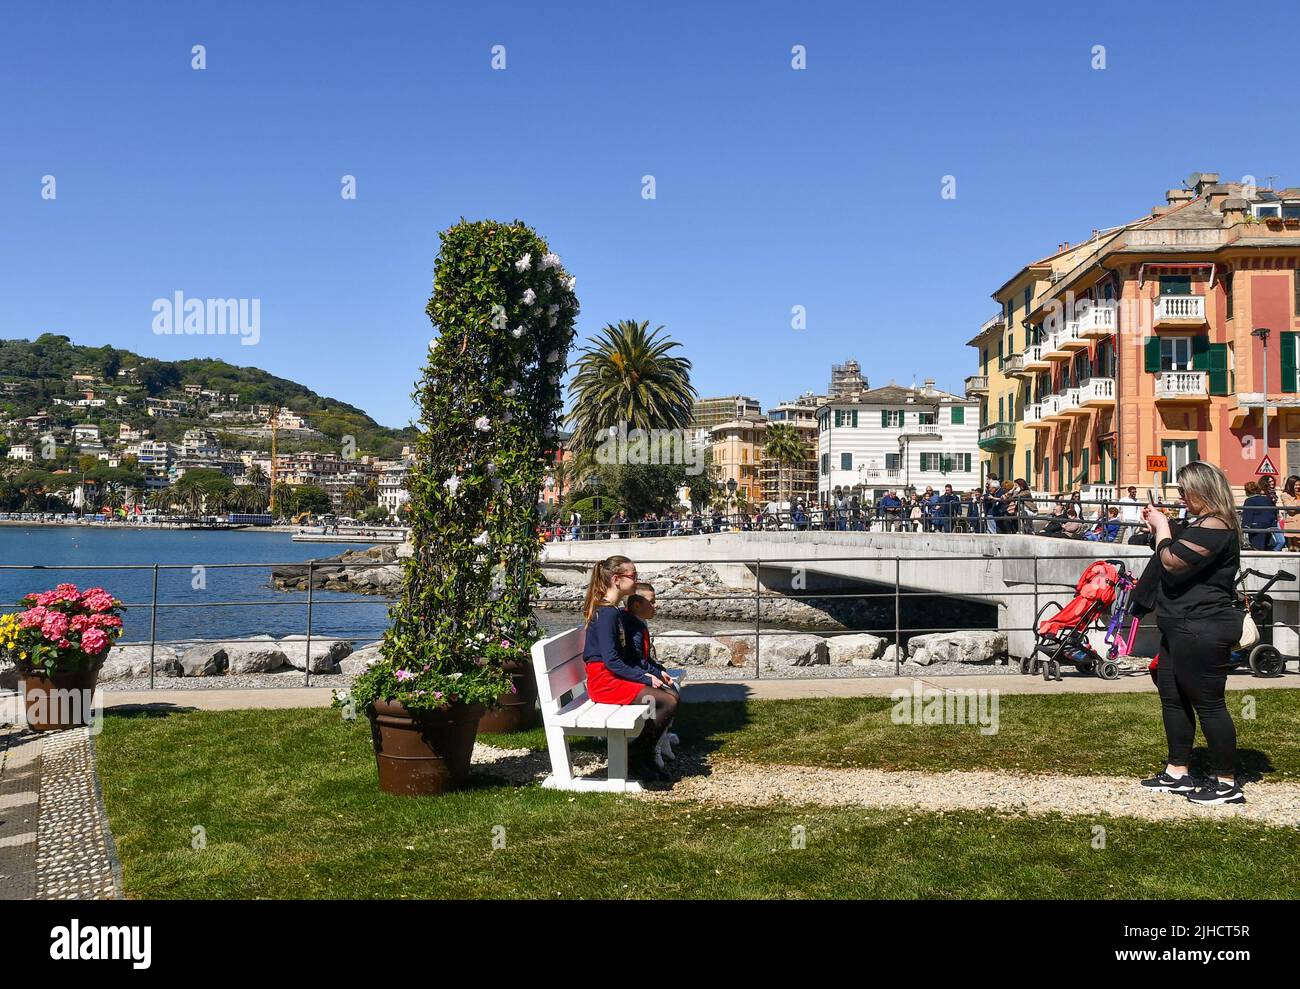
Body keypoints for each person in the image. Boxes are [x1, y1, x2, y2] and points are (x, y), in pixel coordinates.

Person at [1134, 461, 1246, 805]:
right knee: (1173, 697)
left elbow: (1172, 561)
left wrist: (1163, 527)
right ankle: (1177, 772)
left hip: (1203, 625)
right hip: (1179, 624)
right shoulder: (1201, 523)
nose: (1181, 496)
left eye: (1184, 491)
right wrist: (1164, 524)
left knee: (1209, 704)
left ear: (1202, 490)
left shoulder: (1217, 524)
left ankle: (1226, 783)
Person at [581, 556, 676, 783]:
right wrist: (643, 677)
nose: (636, 580)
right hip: (604, 682)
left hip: (612, 676)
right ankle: (638, 755)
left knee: (670, 695)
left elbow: (621, 658)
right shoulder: (607, 613)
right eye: (633, 576)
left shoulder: (611, 610)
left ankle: (643, 755)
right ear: (616, 579)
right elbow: (612, 661)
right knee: (667, 701)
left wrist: (652, 671)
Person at [624, 582, 680, 769]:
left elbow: (645, 658)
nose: (656, 606)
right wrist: (656, 673)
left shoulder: (638, 624)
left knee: (674, 690)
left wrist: (660, 670)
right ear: (638, 605)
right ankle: (650, 745)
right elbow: (637, 661)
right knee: (669, 696)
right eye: (652, 602)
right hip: (632, 679)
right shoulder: (633, 629)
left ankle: (658, 738)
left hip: (640, 673)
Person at [1241, 481, 1276, 551]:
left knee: (1257, 548)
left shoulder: (1249, 500)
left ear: (1247, 491)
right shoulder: (1267, 499)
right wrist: (1273, 525)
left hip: (1255, 527)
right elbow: (1272, 512)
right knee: (1266, 547)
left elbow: (1248, 514)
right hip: (1267, 527)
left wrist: (1245, 526)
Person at [1280, 475, 1300, 551]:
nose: (1298, 487)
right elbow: (1291, 509)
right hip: (1293, 525)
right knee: (1294, 549)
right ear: (1291, 485)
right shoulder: (1285, 495)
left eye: (1299, 485)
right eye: (1296, 485)